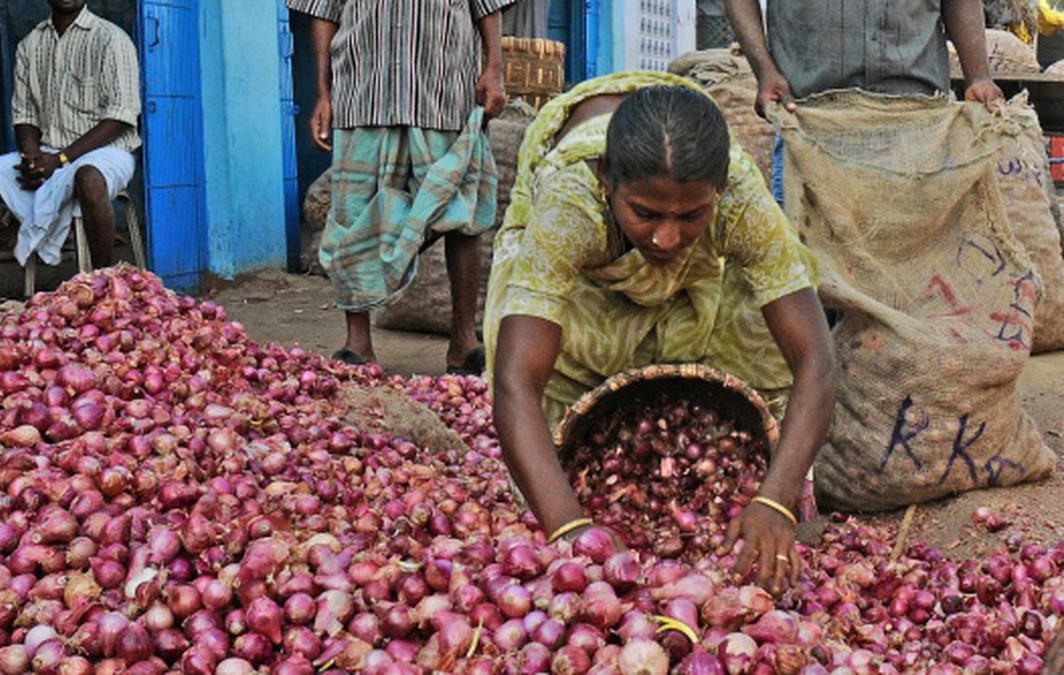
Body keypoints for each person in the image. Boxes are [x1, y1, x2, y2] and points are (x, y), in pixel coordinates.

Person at [485, 72, 836, 595]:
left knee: (761, 336)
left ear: (719, 191)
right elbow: (516, 379)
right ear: (607, 181)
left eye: (692, 215)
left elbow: (815, 359)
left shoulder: (741, 200)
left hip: (676, 182)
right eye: (645, 213)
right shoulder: (571, 205)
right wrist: (572, 528)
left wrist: (774, 497)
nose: (667, 237)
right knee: (545, 374)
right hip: (581, 217)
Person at [288, 0, 512, 374]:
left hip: (443, 93)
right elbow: (324, 11)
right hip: (364, 96)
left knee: (462, 213)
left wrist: (494, 69)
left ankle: (463, 341)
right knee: (351, 214)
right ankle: (358, 342)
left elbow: (488, 5)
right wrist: (324, 94)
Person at [724, 0, 1004, 206]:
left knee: (912, 252)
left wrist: (978, 75)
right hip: (812, 121)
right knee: (809, 256)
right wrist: (764, 70)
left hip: (915, 123)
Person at [0, 0, 140, 308]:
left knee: (89, 178)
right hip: (49, 151)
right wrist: (32, 159)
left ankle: (103, 289)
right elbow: (25, 114)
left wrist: (61, 160)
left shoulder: (111, 38)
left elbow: (121, 116)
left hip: (108, 151)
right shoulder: (31, 44)